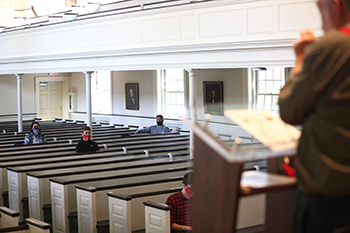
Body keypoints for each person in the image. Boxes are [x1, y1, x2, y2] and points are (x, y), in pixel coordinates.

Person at [279, 0, 350, 232]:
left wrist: (301, 57)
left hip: (331, 192)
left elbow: (290, 110)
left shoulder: (334, 45)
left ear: (335, 6)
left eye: (320, 7)